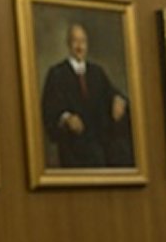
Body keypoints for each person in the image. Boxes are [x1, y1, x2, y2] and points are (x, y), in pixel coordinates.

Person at [41, 23, 132, 168]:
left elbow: (112, 92)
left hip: (100, 146)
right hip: (72, 148)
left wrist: (118, 99)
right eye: (75, 41)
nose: (79, 46)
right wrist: (66, 118)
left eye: (83, 41)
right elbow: (49, 109)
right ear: (68, 44)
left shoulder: (97, 72)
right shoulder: (57, 74)